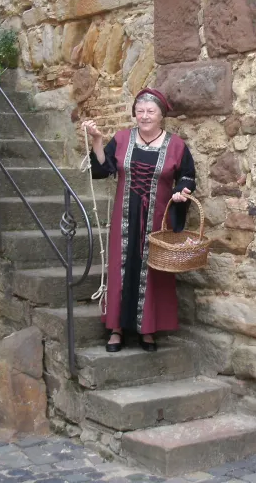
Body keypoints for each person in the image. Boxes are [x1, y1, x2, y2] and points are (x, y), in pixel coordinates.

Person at [81, 88, 196, 352]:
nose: (144, 116)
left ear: (161, 116)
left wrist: (182, 192)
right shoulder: (121, 139)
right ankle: (116, 329)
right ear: (134, 113)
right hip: (124, 217)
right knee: (120, 270)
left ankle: (148, 330)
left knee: (153, 272)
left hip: (157, 220)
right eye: (140, 111)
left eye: (150, 112)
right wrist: (98, 140)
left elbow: (188, 176)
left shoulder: (176, 145)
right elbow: (103, 169)